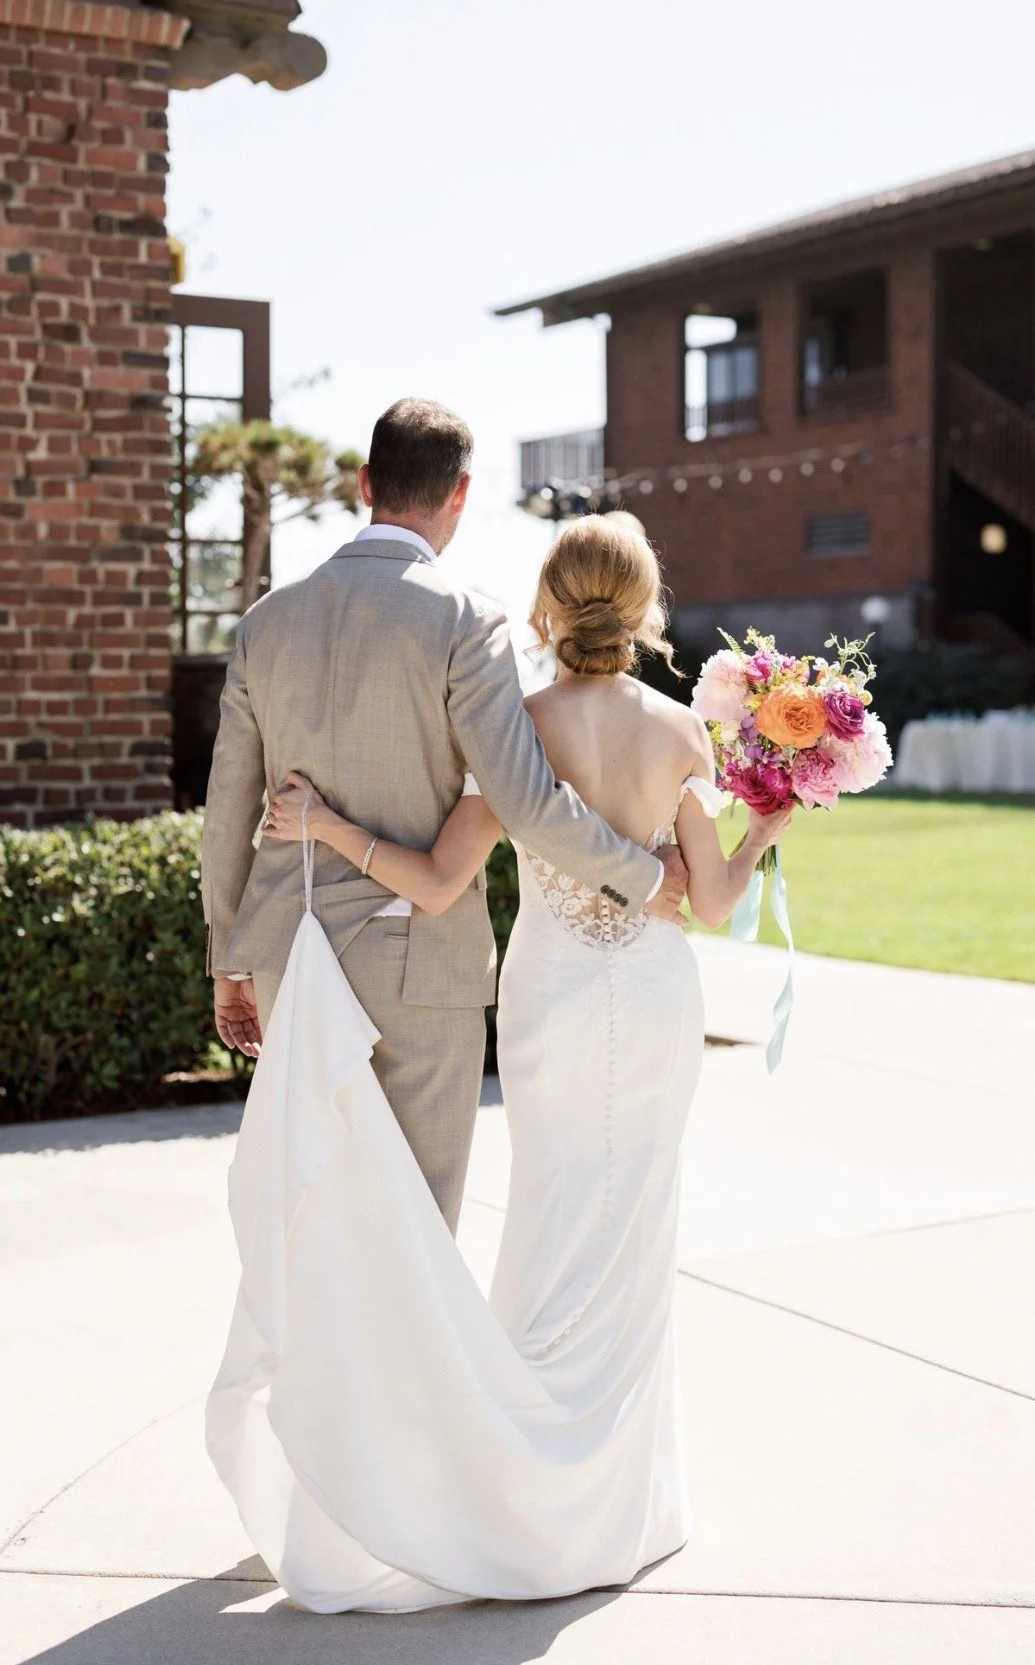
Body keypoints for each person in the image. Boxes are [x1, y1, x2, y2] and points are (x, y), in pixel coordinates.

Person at [205, 510, 792, 1613]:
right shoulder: (681, 734)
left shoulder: (512, 729)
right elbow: (711, 904)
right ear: (646, 607)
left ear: (546, 608)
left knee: (552, 1206)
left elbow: (434, 882)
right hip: (657, 998)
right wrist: (771, 822)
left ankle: (520, 1477)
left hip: (551, 1001)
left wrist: (326, 825)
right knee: (637, 1219)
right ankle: (623, 1499)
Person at [201, 398, 687, 1233]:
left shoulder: (264, 623)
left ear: (363, 483)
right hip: (417, 972)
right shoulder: (465, 621)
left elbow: (225, 809)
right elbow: (526, 799)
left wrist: (227, 958)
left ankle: (323, 1368)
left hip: (286, 955)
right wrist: (642, 876)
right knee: (415, 1232)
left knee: (313, 1219)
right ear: (460, 493)